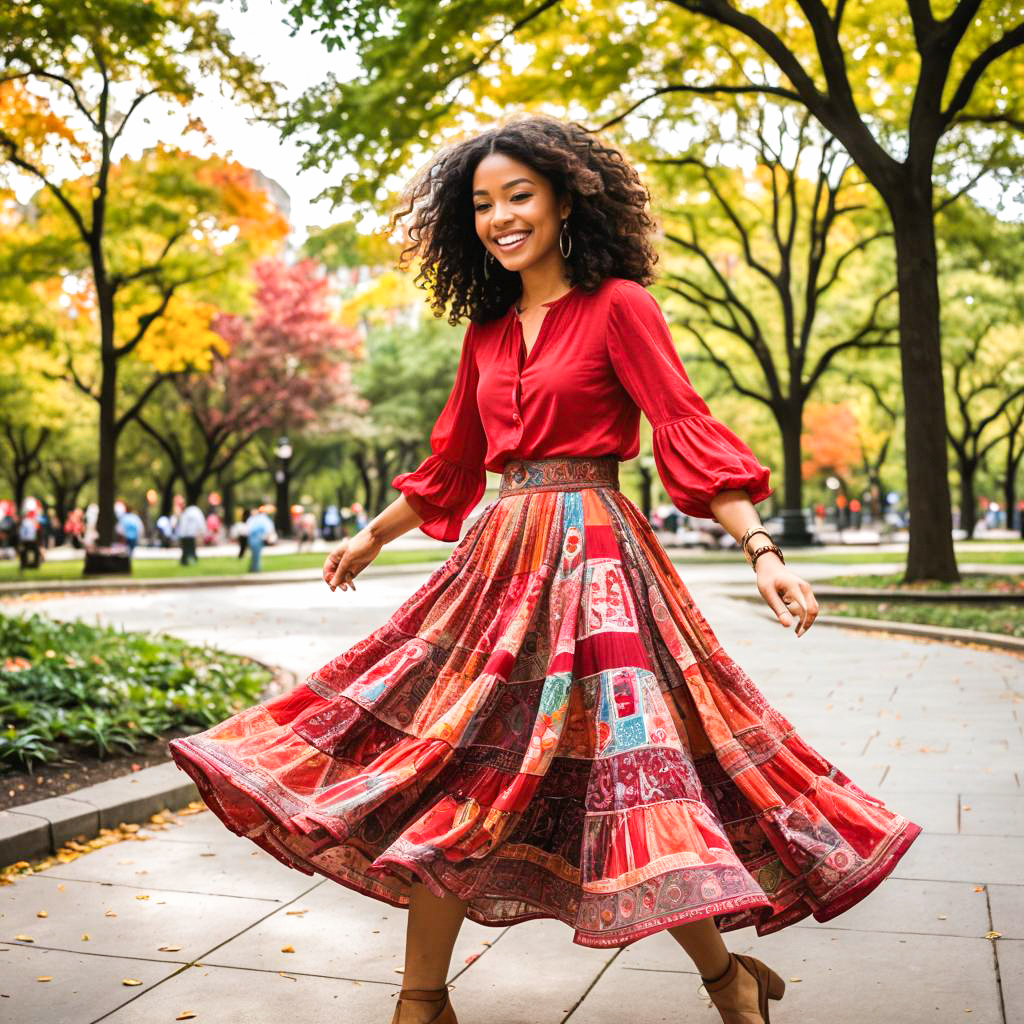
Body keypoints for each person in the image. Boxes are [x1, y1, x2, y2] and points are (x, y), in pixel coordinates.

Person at [169, 114, 922, 1024]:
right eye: (483, 204)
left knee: (630, 774)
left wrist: (762, 550)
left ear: (566, 199)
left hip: (598, 562)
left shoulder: (621, 307)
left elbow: (686, 431)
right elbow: (452, 463)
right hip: (499, 566)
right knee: (461, 760)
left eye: (518, 195)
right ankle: (423, 1002)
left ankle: (726, 979)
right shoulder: (485, 331)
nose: (500, 217)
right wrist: (372, 534)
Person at [244, 505, 275, 572]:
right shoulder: (261, 519)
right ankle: (255, 568)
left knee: (255, 554)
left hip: (255, 539)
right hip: (256, 538)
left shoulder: (255, 519)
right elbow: (269, 529)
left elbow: (247, 529)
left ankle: (254, 568)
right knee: (256, 555)